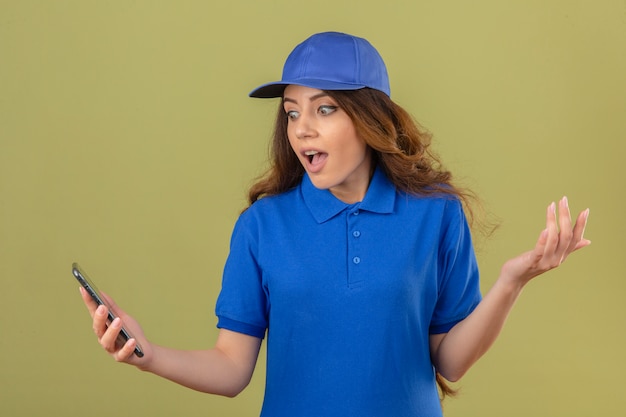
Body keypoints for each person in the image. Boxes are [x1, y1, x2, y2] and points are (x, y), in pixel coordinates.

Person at [80, 31, 590, 417]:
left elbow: (450, 362)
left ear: (371, 120)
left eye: (325, 109)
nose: (302, 128)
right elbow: (232, 369)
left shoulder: (436, 213)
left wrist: (511, 282)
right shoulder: (263, 226)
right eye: (291, 112)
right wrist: (147, 356)